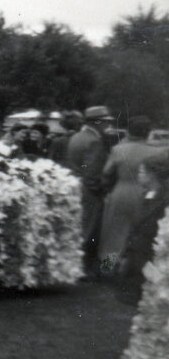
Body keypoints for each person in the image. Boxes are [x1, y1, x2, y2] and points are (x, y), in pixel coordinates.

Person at [97, 116, 161, 270]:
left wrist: (108, 188)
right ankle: (136, 267)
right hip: (147, 195)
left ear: (129, 131)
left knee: (115, 233)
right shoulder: (158, 151)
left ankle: (108, 266)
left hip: (122, 192)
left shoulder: (118, 149)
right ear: (148, 132)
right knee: (142, 232)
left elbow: (107, 173)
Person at [110, 154, 169, 304]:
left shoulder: (163, 200)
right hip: (138, 252)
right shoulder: (147, 194)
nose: (139, 175)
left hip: (151, 251)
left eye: (142, 172)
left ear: (152, 175)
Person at [67, 105, 113, 278]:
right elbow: (92, 173)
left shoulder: (76, 137)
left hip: (77, 186)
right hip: (90, 192)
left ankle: (77, 267)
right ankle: (87, 270)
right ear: (97, 122)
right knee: (91, 230)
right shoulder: (94, 141)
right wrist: (101, 191)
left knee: (81, 227)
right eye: (105, 122)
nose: (107, 126)